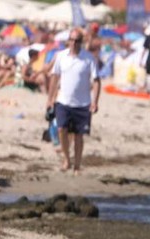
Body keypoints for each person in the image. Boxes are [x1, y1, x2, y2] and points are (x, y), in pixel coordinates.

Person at [47, 28, 101, 174]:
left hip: (83, 103)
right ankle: (66, 159)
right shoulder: (61, 56)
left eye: (77, 40)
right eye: (71, 40)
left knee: (78, 136)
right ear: (68, 41)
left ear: (81, 42)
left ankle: (77, 165)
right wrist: (50, 98)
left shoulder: (89, 58)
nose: (74, 43)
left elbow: (96, 81)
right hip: (63, 101)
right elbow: (54, 77)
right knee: (61, 129)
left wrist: (95, 101)